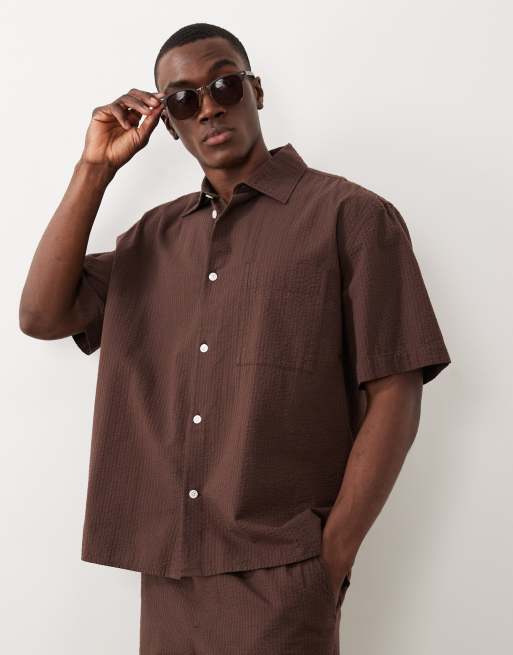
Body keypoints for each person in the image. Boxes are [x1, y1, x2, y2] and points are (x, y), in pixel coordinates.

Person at [19, 22, 452, 655]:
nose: (209, 107)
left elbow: (396, 388)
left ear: (256, 90)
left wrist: (331, 559)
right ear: (168, 124)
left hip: (284, 574)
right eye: (183, 99)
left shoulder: (350, 217)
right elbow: (41, 316)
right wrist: (93, 170)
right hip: (169, 577)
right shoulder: (153, 239)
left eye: (224, 84)